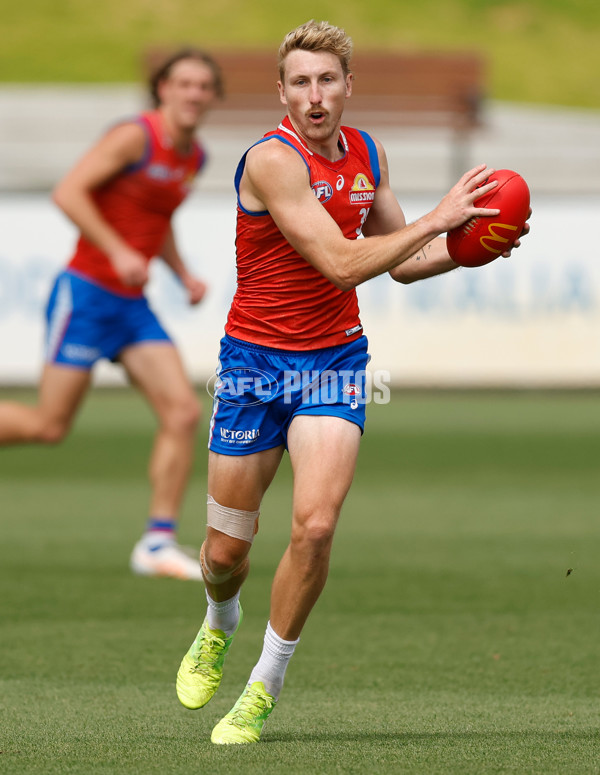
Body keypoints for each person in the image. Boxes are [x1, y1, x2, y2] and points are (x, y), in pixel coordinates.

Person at [175, 20, 530, 743]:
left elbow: (399, 261)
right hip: (253, 364)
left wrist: (469, 252)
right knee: (223, 554)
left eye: (327, 80)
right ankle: (219, 620)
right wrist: (440, 219)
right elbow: (341, 261)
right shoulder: (272, 162)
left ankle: (263, 684)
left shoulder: (368, 152)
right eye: (300, 82)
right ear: (282, 92)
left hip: (334, 362)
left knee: (317, 524)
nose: (315, 95)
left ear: (347, 86)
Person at [0, 48, 224, 581]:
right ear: (162, 89)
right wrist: (119, 250)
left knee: (184, 413)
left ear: (213, 97)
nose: (193, 93)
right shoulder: (134, 136)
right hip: (86, 295)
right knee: (49, 426)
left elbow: (158, 215)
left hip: (131, 305)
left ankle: (155, 543)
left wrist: (181, 272)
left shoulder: (195, 157)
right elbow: (69, 192)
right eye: (183, 83)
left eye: (204, 86)